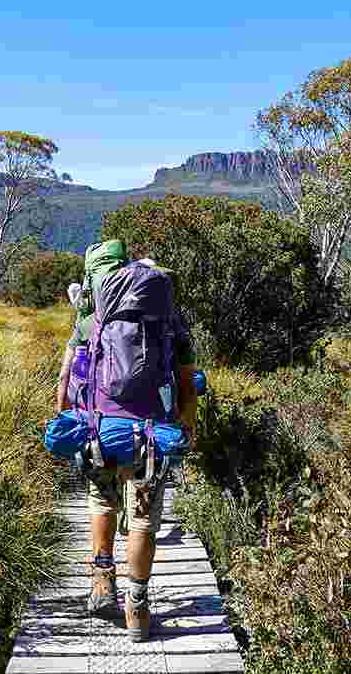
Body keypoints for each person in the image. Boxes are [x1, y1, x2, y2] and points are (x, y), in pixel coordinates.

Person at [54, 251, 198, 642]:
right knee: (143, 520)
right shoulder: (172, 325)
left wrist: (65, 419)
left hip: (101, 431)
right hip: (151, 436)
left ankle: (103, 582)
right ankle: (137, 606)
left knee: (103, 502)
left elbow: (67, 376)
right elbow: (187, 382)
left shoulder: (92, 319)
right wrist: (188, 426)